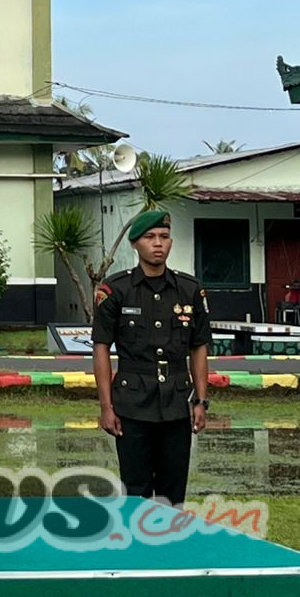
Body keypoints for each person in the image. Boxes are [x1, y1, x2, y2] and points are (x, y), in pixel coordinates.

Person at [91, 210, 212, 506]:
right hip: (132, 403)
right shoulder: (115, 290)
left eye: (164, 237)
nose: (158, 243)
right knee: (136, 491)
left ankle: (169, 536)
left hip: (177, 402)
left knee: (173, 492)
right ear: (135, 244)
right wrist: (106, 407)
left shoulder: (190, 290)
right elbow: (101, 347)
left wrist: (200, 400)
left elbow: (198, 347)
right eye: (150, 237)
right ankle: (136, 536)